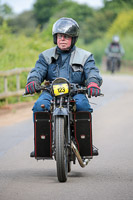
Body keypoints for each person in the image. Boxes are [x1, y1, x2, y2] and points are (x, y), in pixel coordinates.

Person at [25, 17, 103, 157]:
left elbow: (92, 71)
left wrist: (93, 83)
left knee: (83, 106)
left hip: (76, 91)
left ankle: (84, 144)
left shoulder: (85, 56)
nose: (62, 39)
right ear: (55, 38)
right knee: (39, 106)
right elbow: (38, 70)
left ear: (73, 39)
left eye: (66, 37)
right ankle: (42, 145)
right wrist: (33, 81)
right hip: (51, 91)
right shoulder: (45, 56)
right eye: (60, 36)